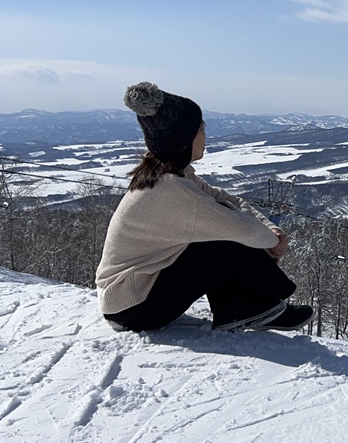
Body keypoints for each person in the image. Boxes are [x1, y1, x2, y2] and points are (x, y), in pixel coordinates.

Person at [96, 81, 314, 333]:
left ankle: (244, 307)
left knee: (220, 231)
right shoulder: (174, 190)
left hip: (128, 298)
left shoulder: (170, 175)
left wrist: (270, 228)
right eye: (201, 128)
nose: (205, 135)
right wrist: (271, 241)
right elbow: (243, 230)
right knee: (223, 240)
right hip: (133, 307)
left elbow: (227, 199)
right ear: (185, 138)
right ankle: (251, 307)